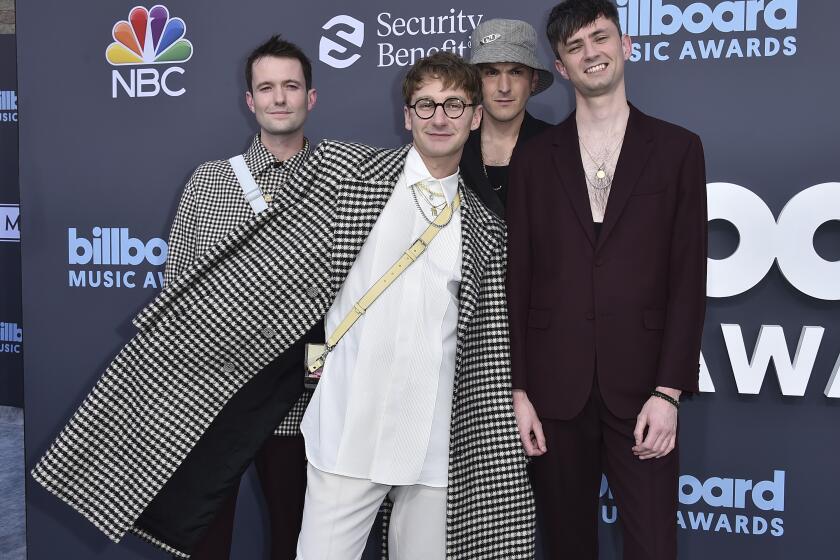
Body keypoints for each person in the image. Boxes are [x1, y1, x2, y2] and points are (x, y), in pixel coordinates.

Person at [32, 52, 533, 560]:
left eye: (453, 105)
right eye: (425, 105)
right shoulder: (345, 174)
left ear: (475, 115)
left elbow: (486, 344)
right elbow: (276, 278)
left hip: (432, 438)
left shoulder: (488, 229)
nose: (439, 118)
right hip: (347, 427)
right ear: (406, 116)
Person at [506, 1, 707, 558]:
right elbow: (517, 279)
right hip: (554, 393)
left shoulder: (678, 149)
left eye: (600, 38)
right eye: (575, 46)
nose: (591, 52)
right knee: (568, 546)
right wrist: (521, 390)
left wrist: (668, 391)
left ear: (626, 47)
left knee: (653, 546)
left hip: (644, 391)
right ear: (562, 67)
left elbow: (688, 279)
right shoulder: (533, 160)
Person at [160, 35, 319, 560]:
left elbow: (352, 299)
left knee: (297, 541)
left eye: (291, 86)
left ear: (310, 98)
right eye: (267, 88)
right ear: (249, 101)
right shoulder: (209, 183)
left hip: (300, 405)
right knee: (203, 542)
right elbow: (176, 293)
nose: (279, 98)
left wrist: (319, 368)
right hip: (217, 402)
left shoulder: (338, 185)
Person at [460, 18, 553, 216]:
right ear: (475, 82)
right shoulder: (454, 144)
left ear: (533, 80)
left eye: (516, 72)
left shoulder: (558, 146)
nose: (504, 87)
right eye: (491, 72)